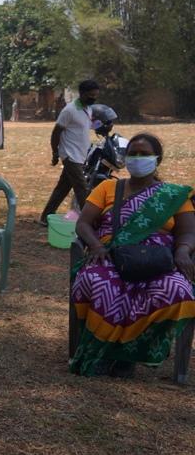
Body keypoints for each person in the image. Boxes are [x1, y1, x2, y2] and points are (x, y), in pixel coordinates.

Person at [70, 133, 195, 377]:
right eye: (133, 154)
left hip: (158, 262)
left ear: (157, 159)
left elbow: (189, 231)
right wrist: (95, 245)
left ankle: (129, 354)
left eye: (144, 154)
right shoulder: (107, 187)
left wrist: (183, 251)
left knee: (176, 290)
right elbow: (83, 223)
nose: (138, 159)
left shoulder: (173, 195)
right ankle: (104, 353)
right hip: (110, 257)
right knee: (98, 283)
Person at [39, 80, 100, 226]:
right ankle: (88, 222)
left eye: (96, 95)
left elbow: (85, 126)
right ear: (82, 94)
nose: (94, 98)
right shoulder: (69, 110)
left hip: (80, 155)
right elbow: (56, 132)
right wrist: (55, 153)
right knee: (82, 188)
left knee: (62, 188)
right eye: (91, 95)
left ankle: (45, 217)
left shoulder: (88, 109)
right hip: (69, 155)